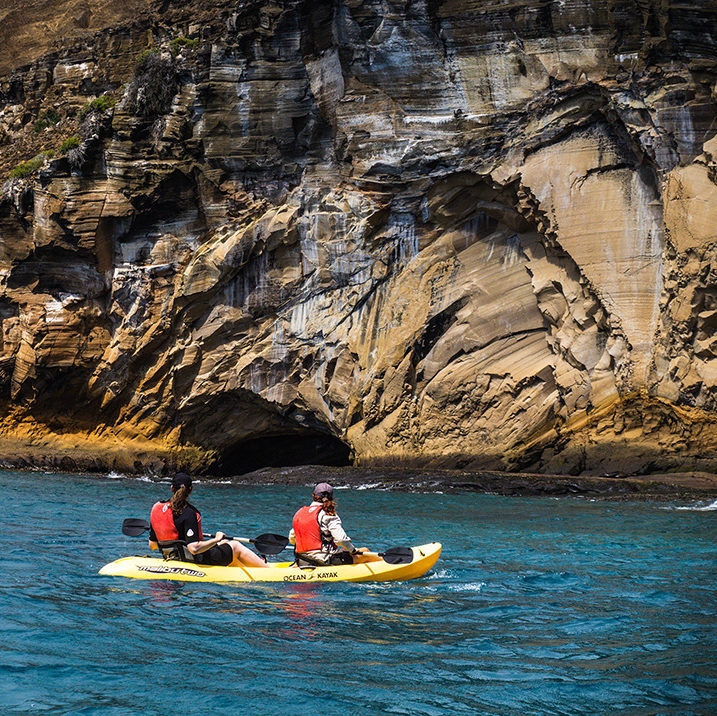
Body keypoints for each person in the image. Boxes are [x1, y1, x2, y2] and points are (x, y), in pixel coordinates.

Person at [148, 472, 267, 568]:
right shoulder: (189, 512)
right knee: (235, 545)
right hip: (193, 560)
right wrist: (216, 539)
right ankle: (266, 570)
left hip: (172, 556)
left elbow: (152, 545)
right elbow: (194, 548)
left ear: (171, 488)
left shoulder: (156, 508)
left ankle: (246, 569)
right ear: (191, 490)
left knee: (224, 543)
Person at [289, 482, 369, 566]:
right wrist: (352, 550)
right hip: (323, 560)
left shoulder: (300, 513)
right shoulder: (328, 514)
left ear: (313, 496)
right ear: (331, 498)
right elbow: (340, 540)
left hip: (302, 561)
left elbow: (292, 539)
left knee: (345, 550)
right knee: (365, 551)